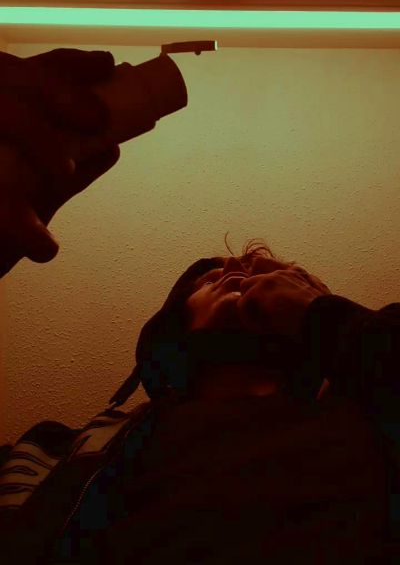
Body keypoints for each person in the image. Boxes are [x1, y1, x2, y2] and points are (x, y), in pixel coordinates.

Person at [0, 48, 399, 564]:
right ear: (172, 328)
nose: (243, 273)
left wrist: (322, 318)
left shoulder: (373, 417)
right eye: (213, 276)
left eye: (278, 276)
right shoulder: (50, 455)